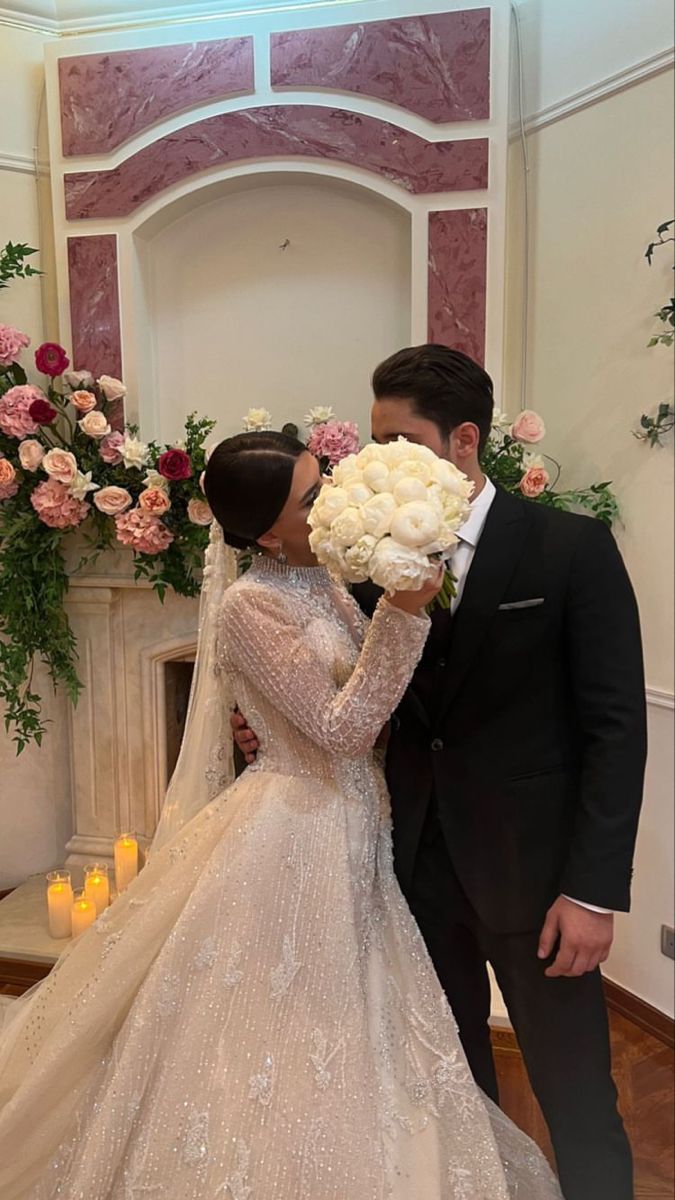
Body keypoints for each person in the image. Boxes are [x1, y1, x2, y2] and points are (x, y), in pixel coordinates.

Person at [0, 430, 562, 1200]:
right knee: (291, 1020)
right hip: (299, 828)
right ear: (265, 530)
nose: (327, 496)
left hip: (357, 818)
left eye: (321, 477)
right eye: (308, 495)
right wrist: (403, 613)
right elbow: (340, 730)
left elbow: (366, 700)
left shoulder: (324, 578)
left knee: (368, 1017)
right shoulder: (249, 602)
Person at [234, 347, 647, 1200]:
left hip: (538, 886)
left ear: (464, 441)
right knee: (448, 1091)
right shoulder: (358, 553)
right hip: (410, 872)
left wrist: (593, 892)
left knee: (577, 1093)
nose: (377, 461)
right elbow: (352, 697)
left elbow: (616, 730)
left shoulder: (568, 548)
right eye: (373, 439)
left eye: (400, 439)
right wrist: (275, 730)